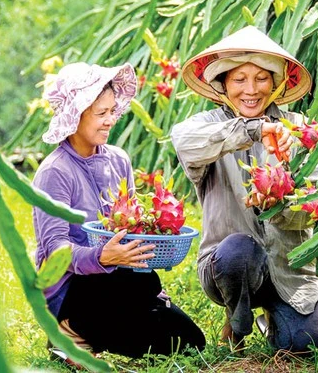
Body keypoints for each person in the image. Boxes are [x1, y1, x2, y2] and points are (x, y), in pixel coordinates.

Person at [171, 26, 318, 352]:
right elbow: (184, 143)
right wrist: (257, 130)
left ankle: (273, 321)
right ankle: (237, 319)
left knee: (310, 344)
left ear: (275, 84)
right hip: (227, 266)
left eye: (261, 78)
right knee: (239, 252)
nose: (251, 90)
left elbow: (316, 206)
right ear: (223, 84)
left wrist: (279, 204)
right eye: (239, 79)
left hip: (290, 272)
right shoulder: (203, 127)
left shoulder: (302, 132)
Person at [32, 62, 206, 358]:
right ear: (75, 116)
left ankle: (87, 337)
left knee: (189, 342)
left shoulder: (119, 160)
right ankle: (68, 328)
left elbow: (132, 228)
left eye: (113, 111)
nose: (110, 120)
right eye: (101, 113)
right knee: (140, 327)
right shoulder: (55, 172)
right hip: (76, 290)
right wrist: (102, 256)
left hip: (122, 281)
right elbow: (54, 251)